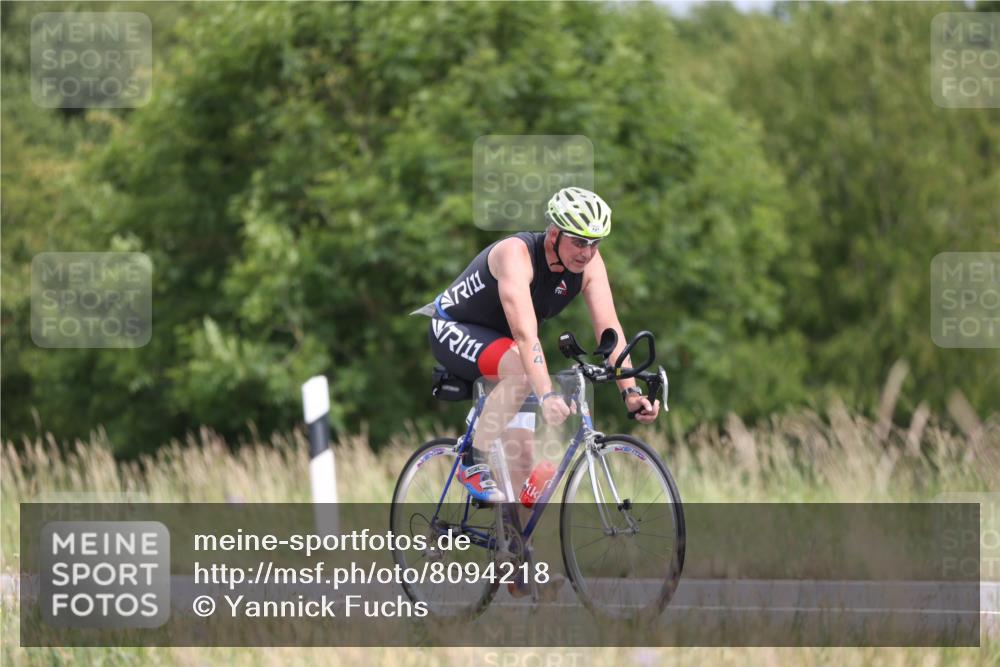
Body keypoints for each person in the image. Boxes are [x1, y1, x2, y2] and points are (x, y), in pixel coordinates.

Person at [423, 187, 660, 507]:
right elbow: (525, 337)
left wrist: (630, 393)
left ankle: (514, 554)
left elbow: (610, 330)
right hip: (455, 327)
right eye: (578, 242)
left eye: (594, 243)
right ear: (553, 233)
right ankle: (471, 460)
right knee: (522, 375)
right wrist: (547, 395)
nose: (587, 253)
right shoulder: (516, 254)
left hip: (507, 344)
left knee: (522, 465)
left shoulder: (588, 264)